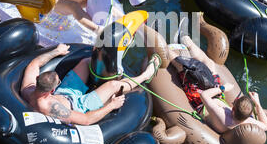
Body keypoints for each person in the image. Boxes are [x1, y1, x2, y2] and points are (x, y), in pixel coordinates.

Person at [20, 43, 161, 125]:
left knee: (86, 62)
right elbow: (86, 120)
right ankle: (146, 75)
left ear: (38, 78)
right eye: (58, 81)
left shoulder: (28, 89)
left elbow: (35, 63)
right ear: (50, 91)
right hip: (80, 105)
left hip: (64, 93)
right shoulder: (52, 108)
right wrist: (112, 105)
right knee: (113, 85)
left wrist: (57, 51)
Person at [167, 23, 267, 133]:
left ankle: (164, 48)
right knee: (209, 63)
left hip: (202, 102)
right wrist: (257, 103)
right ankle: (186, 39)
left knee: (183, 68)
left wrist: (223, 88)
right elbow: (265, 125)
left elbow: (204, 95)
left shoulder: (223, 117)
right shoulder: (245, 122)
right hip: (216, 95)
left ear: (233, 108)